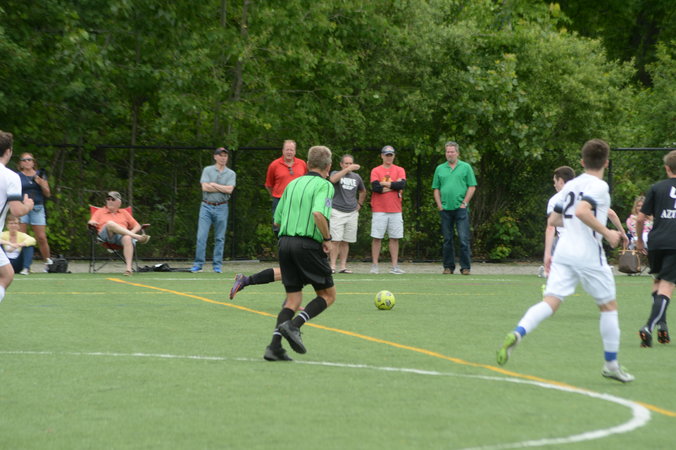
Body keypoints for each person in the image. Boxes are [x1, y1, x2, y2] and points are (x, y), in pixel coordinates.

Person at [496, 139, 634, 383]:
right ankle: (611, 365)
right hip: (588, 254)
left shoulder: (571, 185)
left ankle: (518, 332)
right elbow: (581, 211)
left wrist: (555, 245)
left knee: (550, 301)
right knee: (608, 307)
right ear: (606, 162)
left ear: (582, 162)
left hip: (564, 251)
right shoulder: (599, 186)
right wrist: (608, 233)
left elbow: (554, 220)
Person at [263, 145, 335, 362]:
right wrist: (327, 238)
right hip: (306, 245)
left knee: (293, 300)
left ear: (308, 164)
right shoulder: (325, 185)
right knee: (328, 295)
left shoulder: (292, 184)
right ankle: (294, 325)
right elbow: (318, 213)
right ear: (328, 167)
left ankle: (274, 347)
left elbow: (277, 220)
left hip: (284, 243)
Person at [635, 150, 676, 348]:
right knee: (667, 286)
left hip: (657, 242)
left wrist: (639, 241)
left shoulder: (656, 187)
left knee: (658, 282)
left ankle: (662, 325)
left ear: (667, 168)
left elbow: (640, 218)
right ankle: (648, 327)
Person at [0, 130, 35, 303]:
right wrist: (28, 205)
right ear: (8, 151)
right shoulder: (11, 177)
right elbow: (16, 210)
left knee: (7, 273)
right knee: (6, 275)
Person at [432, 141, 476, 275]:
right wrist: (439, 205)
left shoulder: (466, 167)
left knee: (463, 239)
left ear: (457, 153)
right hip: (445, 209)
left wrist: (465, 203)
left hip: (461, 209)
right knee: (447, 240)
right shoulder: (440, 168)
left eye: (452, 151)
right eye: (447, 152)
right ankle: (448, 267)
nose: (449, 154)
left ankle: (465, 268)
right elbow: (436, 188)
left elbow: (472, 186)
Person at [191, 147, 237, 273]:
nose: (223, 158)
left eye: (225, 156)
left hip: (222, 206)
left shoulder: (231, 173)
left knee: (219, 238)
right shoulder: (207, 170)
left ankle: (217, 265)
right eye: (220, 155)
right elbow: (205, 187)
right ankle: (198, 264)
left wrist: (214, 185)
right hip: (206, 206)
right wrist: (222, 188)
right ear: (215, 157)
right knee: (201, 236)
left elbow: (229, 190)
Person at [88, 191, 151, 276]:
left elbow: (137, 226)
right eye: (108, 199)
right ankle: (137, 237)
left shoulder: (124, 212)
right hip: (106, 236)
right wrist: (91, 222)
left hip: (120, 237)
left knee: (127, 238)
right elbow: (91, 221)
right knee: (110, 223)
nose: (110, 201)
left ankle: (128, 269)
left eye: (113, 199)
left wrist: (129, 234)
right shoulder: (100, 211)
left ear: (119, 202)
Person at [370, 145, 406, 275]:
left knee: (395, 238)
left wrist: (384, 184)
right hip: (379, 209)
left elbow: (401, 185)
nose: (388, 157)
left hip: (395, 209)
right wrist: (393, 186)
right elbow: (375, 187)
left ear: (394, 156)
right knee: (377, 237)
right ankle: (375, 265)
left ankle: (394, 266)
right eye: (386, 155)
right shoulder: (376, 170)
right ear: (382, 156)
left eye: (391, 155)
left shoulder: (400, 170)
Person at [328, 154, 366, 273]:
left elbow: (363, 191)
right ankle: (332, 266)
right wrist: (347, 170)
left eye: (350, 163)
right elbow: (332, 180)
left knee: (345, 241)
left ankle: (343, 267)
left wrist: (359, 204)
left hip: (352, 212)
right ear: (341, 164)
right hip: (337, 211)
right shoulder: (335, 173)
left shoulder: (357, 177)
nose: (349, 165)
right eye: (346, 163)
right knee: (335, 240)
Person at [16, 152, 53, 271]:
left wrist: (41, 183)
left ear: (33, 162)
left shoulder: (40, 175)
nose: (27, 162)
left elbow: (47, 193)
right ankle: (24, 265)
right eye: (24, 160)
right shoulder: (17, 176)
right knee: (22, 237)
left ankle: (48, 263)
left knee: (41, 237)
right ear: (21, 163)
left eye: (29, 160)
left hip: (37, 208)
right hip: (22, 207)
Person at [264, 140, 307, 236]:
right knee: (278, 227)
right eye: (287, 150)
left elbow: (306, 181)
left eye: (291, 150)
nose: (289, 152)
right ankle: (281, 243)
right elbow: (269, 185)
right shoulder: (274, 165)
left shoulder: (302, 164)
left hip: (298, 200)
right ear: (283, 151)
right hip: (279, 200)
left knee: (297, 226)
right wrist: (276, 195)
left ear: (295, 151)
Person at [542, 166, 576, 277]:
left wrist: (547, 254)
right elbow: (610, 213)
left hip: (564, 243)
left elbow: (550, 227)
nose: (554, 185)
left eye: (555, 181)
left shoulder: (556, 199)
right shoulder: (583, 195)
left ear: (560, 181)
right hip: (584, 241)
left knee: (556, 277)